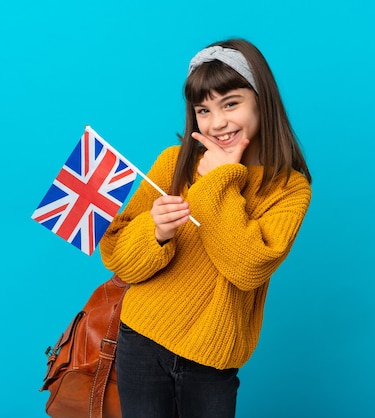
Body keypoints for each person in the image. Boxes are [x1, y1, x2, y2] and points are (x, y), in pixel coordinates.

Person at [99, 38, 312, 418]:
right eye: (203, 109)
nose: (217, 122)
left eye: (230, 103)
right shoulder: (173, 163)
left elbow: (247, 268)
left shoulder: (289, 188)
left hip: (213, 357)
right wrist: (155, 231)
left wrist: (221, 179)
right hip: (142, 339)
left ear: (262, 100)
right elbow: (118, 257)